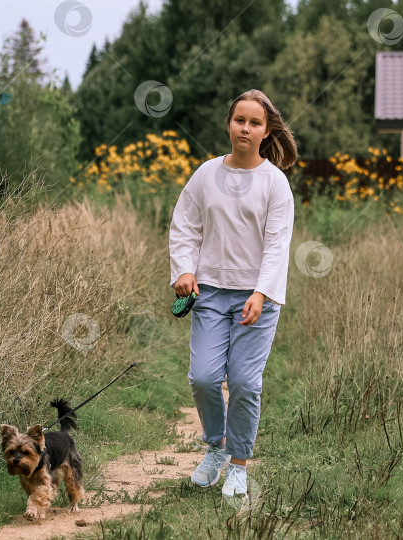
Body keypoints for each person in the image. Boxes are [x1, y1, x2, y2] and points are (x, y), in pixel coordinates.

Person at [168, 89, 297, 497]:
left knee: (244, 382)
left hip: (255, 300)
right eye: (239, 120)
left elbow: (277, 245)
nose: (245, 128)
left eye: (254, 122)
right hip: (209, 294)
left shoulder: (275, 184)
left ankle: (239, 464)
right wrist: (184, 269)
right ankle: (216, 448)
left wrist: (261, 292)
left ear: (266, 130)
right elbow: (185, 226)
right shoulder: (206, 174)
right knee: (204, 378)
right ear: (229, 124)